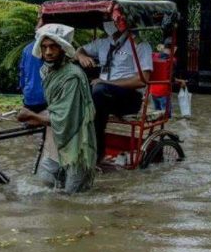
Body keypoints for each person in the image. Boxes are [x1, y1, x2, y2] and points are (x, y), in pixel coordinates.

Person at [16, 24, 96, 193]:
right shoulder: (48, 72)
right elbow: (54, 108)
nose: (48, 52)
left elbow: (65, 119)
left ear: (63, 49)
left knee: (71, 199)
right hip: (57, 144)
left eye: (53, 47)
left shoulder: (72, 77)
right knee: (44, 182)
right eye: (44, 47)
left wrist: (31, 115)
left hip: (76, 146)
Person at [75, 20, 153, 163]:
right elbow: (79, 50)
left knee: (98, 91)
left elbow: (142, 80)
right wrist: (82, 56)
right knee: (81, 88)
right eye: (106, 20)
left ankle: (97, 153)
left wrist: (106, 83)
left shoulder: (140, 45)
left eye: (112, 19)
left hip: (129, 97)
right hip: (104, 95)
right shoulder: (103, 43)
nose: (109, 23)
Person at [18, 40, 47, 113]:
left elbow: (22, 72)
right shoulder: (51, 49)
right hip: (46, 95)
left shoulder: (27, 49)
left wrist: (24, 89)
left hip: (29, 94)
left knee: (29, 121)